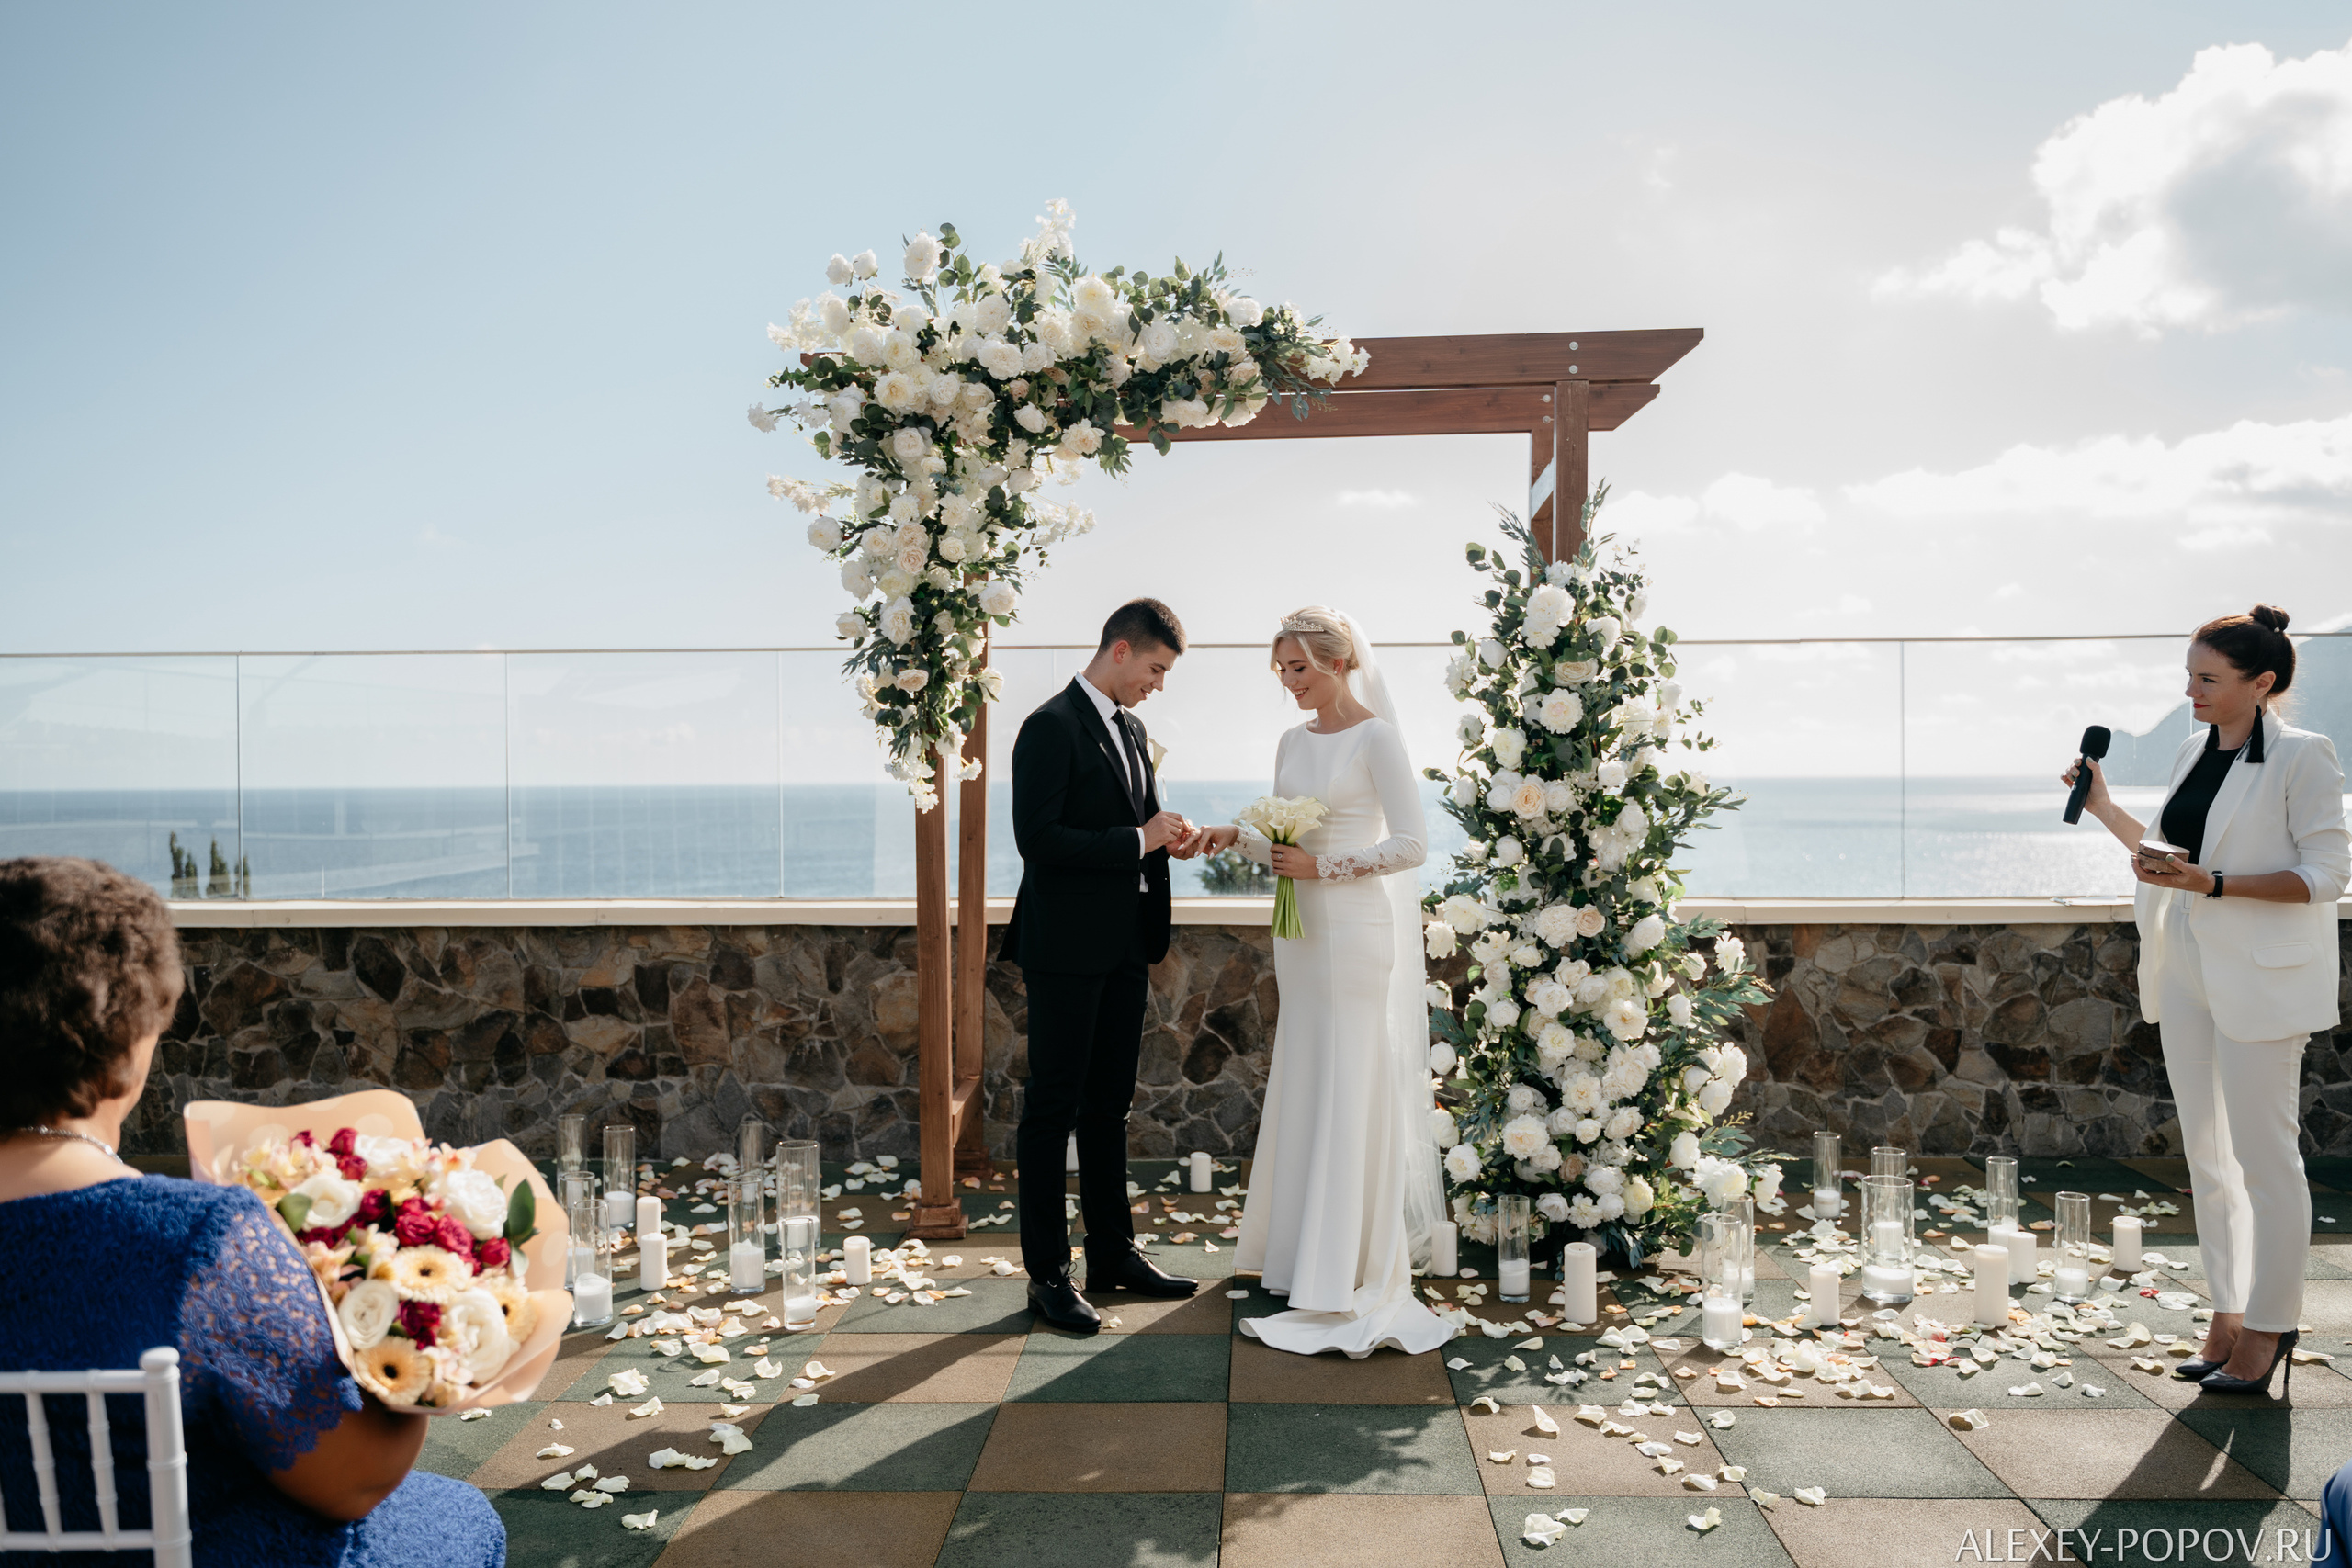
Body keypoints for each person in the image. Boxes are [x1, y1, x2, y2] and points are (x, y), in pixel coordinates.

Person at [0, 856, 507, 1567]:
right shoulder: (196, 1241)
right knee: (459, 1513)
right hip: (211, 1550)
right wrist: (425, 1341)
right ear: (129, 1043)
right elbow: (351, 1480)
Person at [2063, 606, 2349, 1396]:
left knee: (2267, 1161)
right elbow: (2167, 859)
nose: (2189, 690)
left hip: (2260, 976)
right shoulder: (2195, 749)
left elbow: (2329, 876)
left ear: (2262, 684)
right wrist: (2106, 808)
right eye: (2189, 673)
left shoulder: (2304, 756)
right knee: (2209, 1161)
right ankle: (2227, 1311)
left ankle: (2270, 1324)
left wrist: (2213, 884)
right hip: (2185, 964)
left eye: (2207, 679)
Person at [1191, 608, 1452, 1358]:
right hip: (1298, 933)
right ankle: (1300, 1256)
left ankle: (1351, 1265)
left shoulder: (1377, 737)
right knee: (1307, 1073)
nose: (1288, 683)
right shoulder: (1289, 742)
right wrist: (1230, 836)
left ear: (1337, 662)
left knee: (1348, 1078)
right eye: (1280, 671)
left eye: (1298, 669)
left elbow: (1411, 843)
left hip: (1354, 931)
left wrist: (1327, 868)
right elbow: (1286, 840)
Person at [999, 600, 1204, 1332]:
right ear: (1121, 650)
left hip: (1124, 946)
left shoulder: (1134, 728)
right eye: (1154, 669)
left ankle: (1112, 1254)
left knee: (1110, 1107)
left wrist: (1163, 839)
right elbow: (1038, 838)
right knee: (1052, 1108)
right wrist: (1134, 839)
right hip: (1063, 949)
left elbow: (1134, 827)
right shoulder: (1049, 727)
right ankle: (1047, 1276)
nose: (1157, 685)